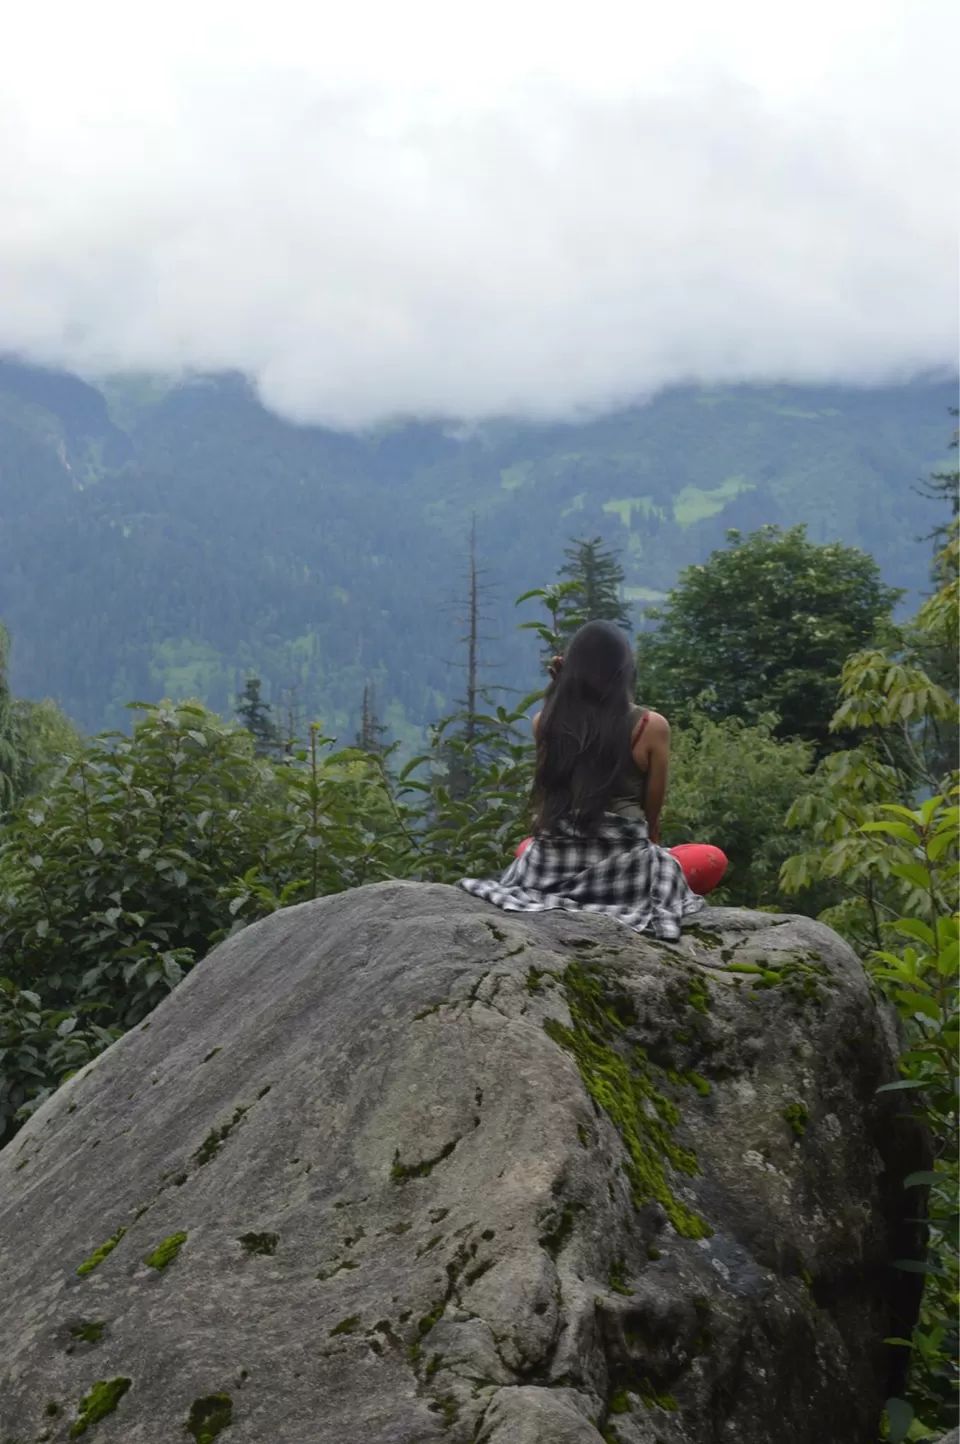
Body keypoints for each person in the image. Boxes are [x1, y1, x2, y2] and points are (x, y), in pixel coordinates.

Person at [459, 620, 726, 939]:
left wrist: (558, 692)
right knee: (710, 859)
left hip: (553, 864)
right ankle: (616, 888)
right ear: (625, 670)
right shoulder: (650, 726)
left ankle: (570, 888)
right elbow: (651, 820)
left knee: (526, 848)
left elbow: (552, 787)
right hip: (625, 868)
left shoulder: (544, 722)